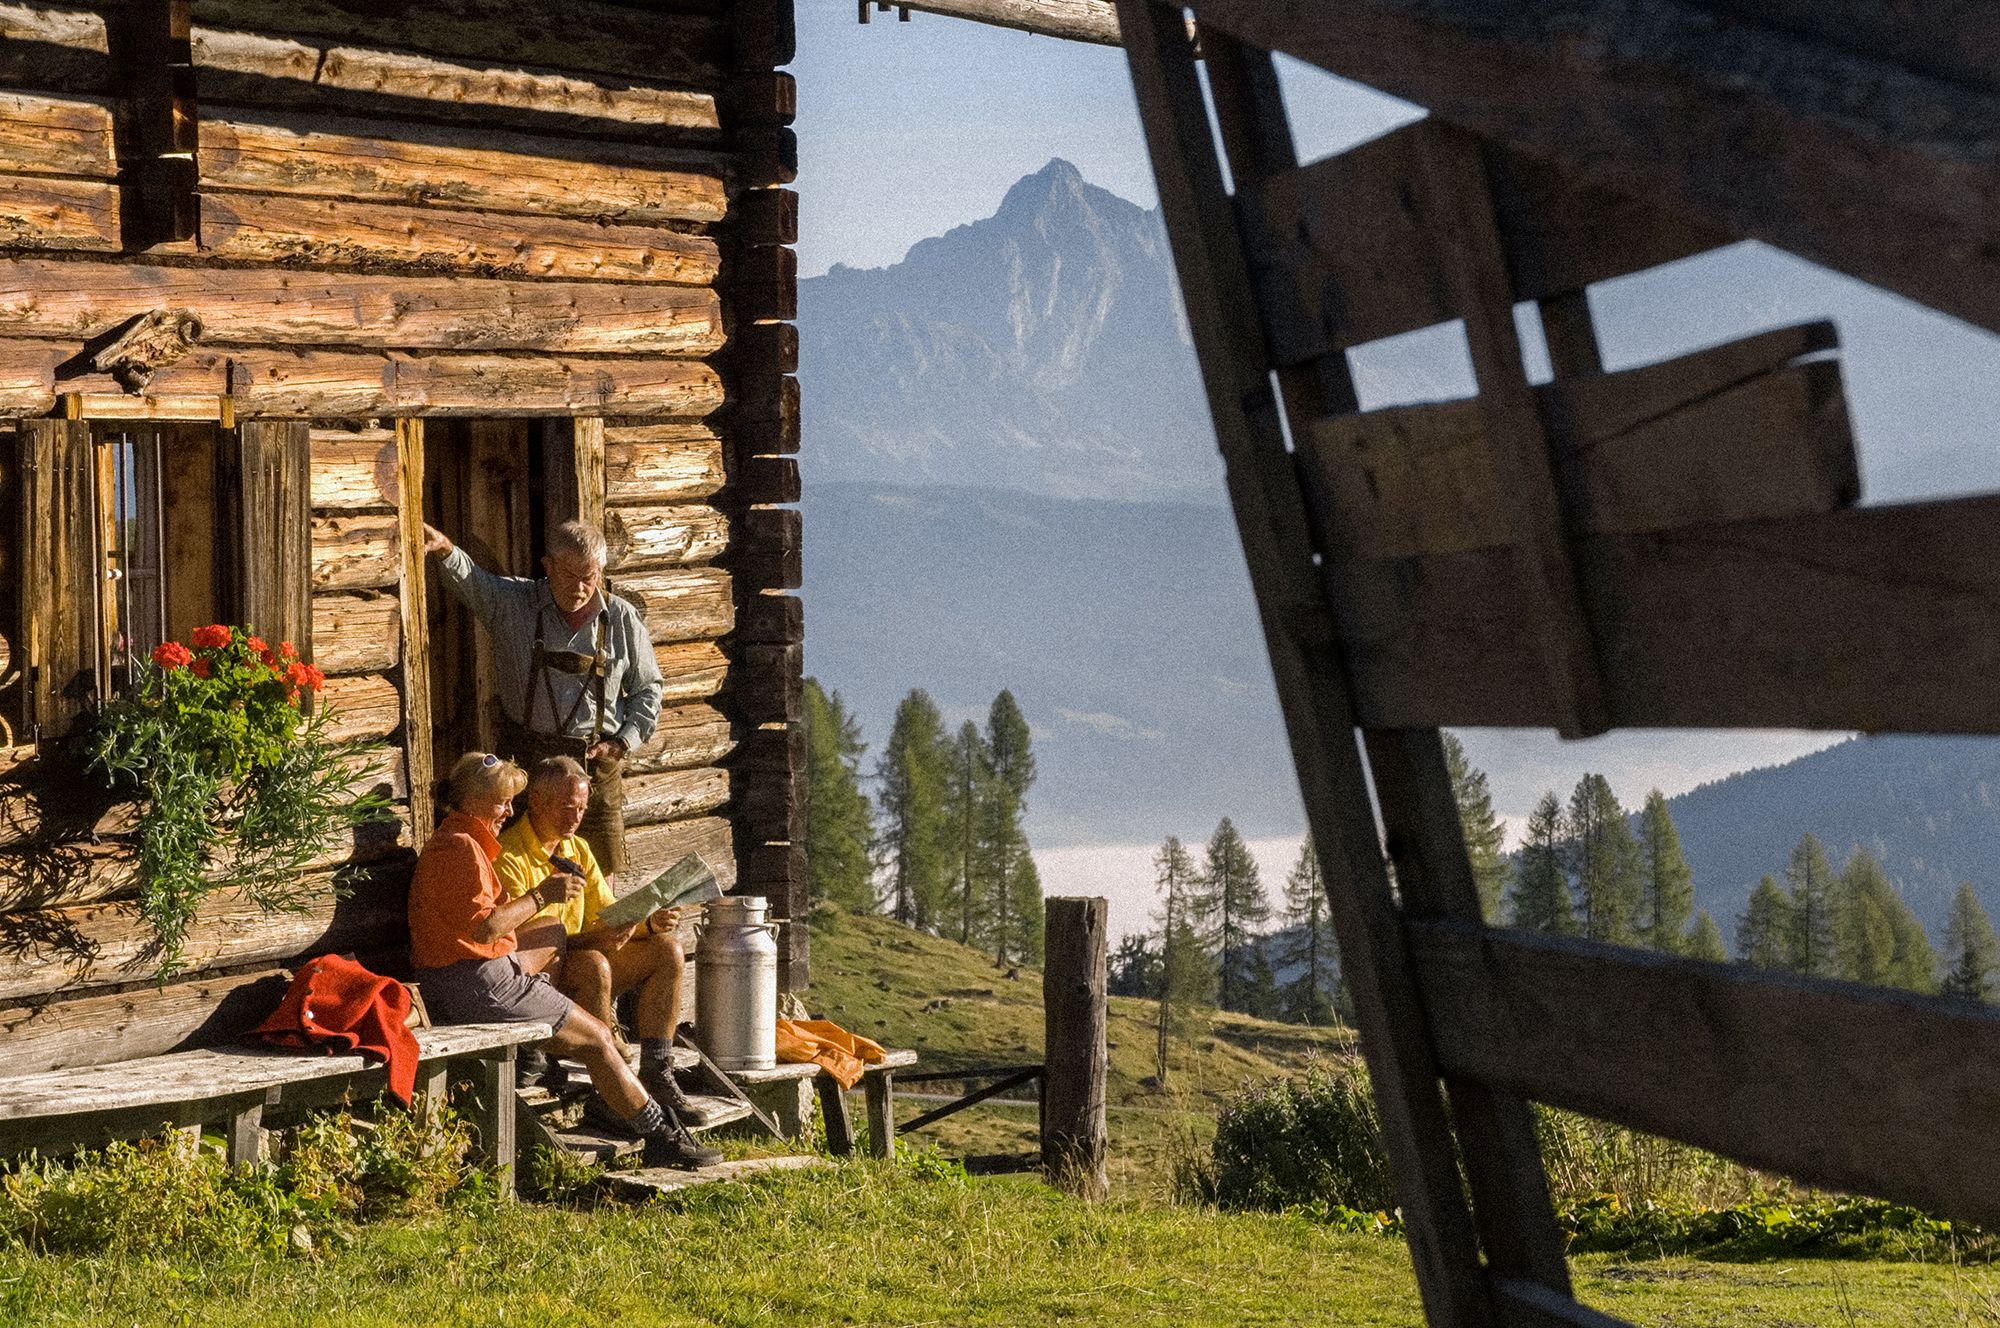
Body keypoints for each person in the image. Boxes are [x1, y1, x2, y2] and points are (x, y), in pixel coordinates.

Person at [406, 751, 720, 1168]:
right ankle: (660, 1132)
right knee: (598, 1037)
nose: (508, 811)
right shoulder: (462, 848)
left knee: (554, 932)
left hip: (467, 974)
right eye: (502, 803)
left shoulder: (463, 842)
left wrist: (638, 923)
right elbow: (484, 929)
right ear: (476, 800)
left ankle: (636, 1087)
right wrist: (542, 895)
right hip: (478, 984)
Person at [421, 518, 662, 876]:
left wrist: (623, 742)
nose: (579, 588)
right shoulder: (515, 603)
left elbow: (649, 689)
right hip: (526, 764)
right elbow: (473, 580)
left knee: (598, 870)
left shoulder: (622, 619)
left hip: (594, 769)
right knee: (513, 864)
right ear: (547, 566)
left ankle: (593, 932)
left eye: (589, 577)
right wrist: (444, 549)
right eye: (568, 576)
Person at [496, 755, 719, 1124]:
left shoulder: (577, 850)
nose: (576, 818)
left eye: (582, 808)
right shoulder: (511, 854)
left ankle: (657, 1075)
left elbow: (607, 913)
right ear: (535, 800)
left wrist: (646, 925)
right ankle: (609, 1095)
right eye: (567, 808)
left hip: (577, 959)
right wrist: (599, 938)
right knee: (593, 964)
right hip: (538, 977)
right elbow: (528, 946)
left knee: (667, 950)